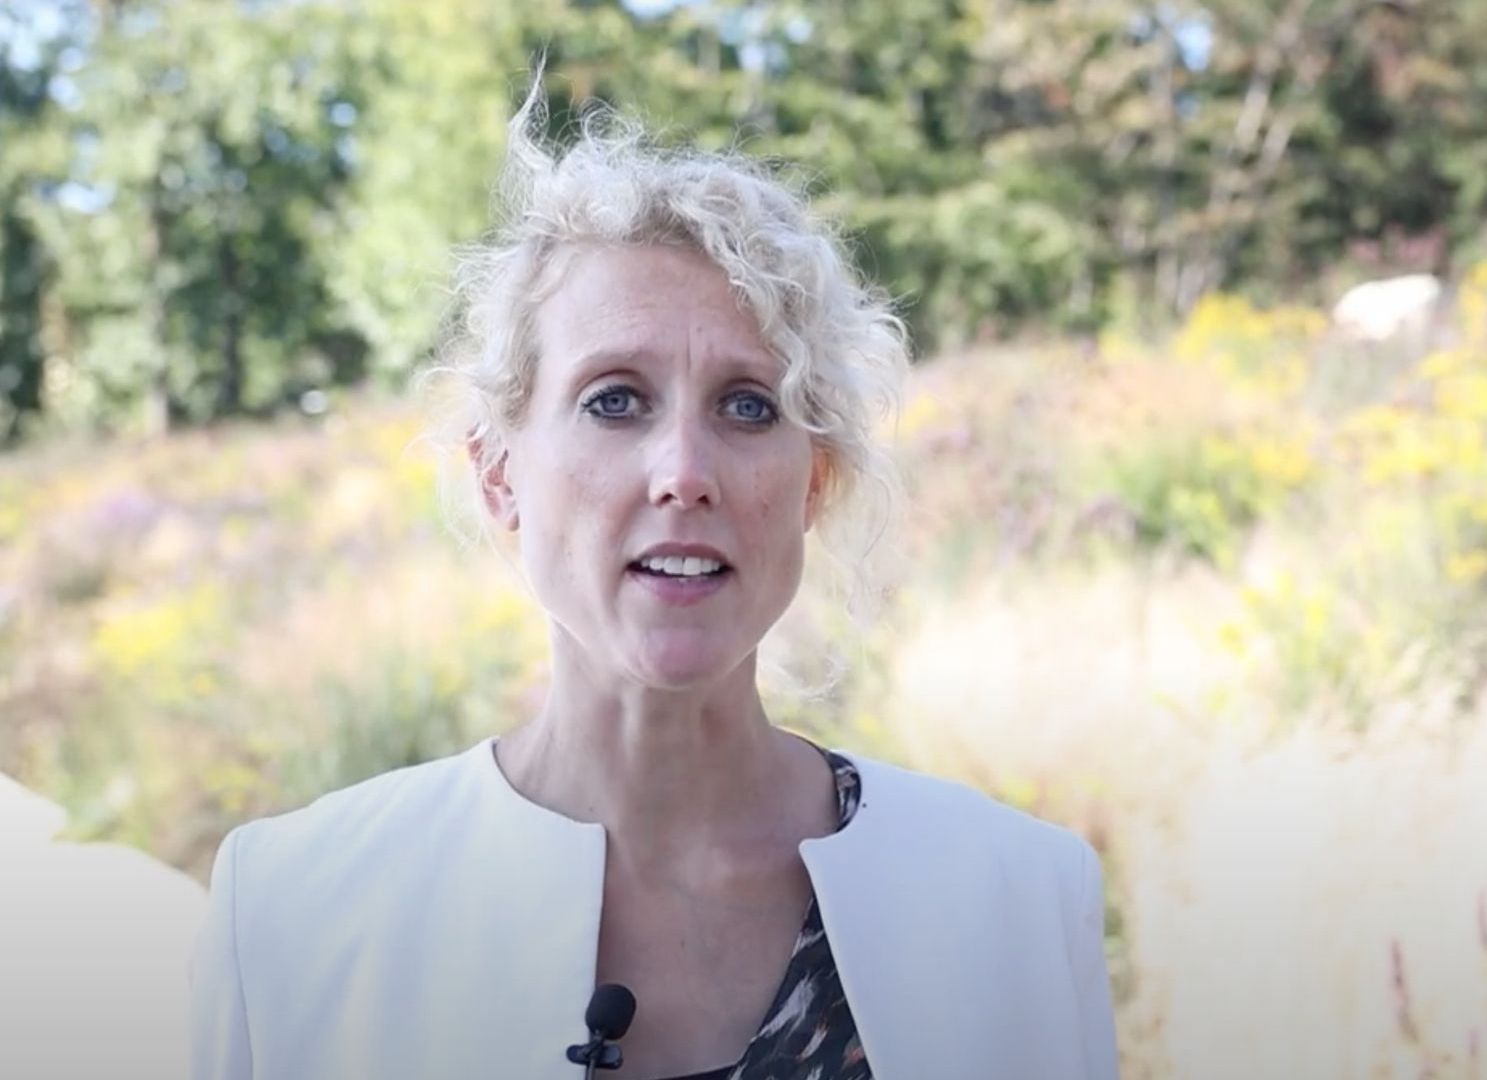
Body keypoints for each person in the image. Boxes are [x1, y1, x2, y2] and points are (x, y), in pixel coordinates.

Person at [186, 78, 1119, 1080]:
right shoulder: (292, 914)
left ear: (814, 481)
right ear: (499, 473)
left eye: (749, 406)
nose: (684, 472)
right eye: (615, 399)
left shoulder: (1019, 901)